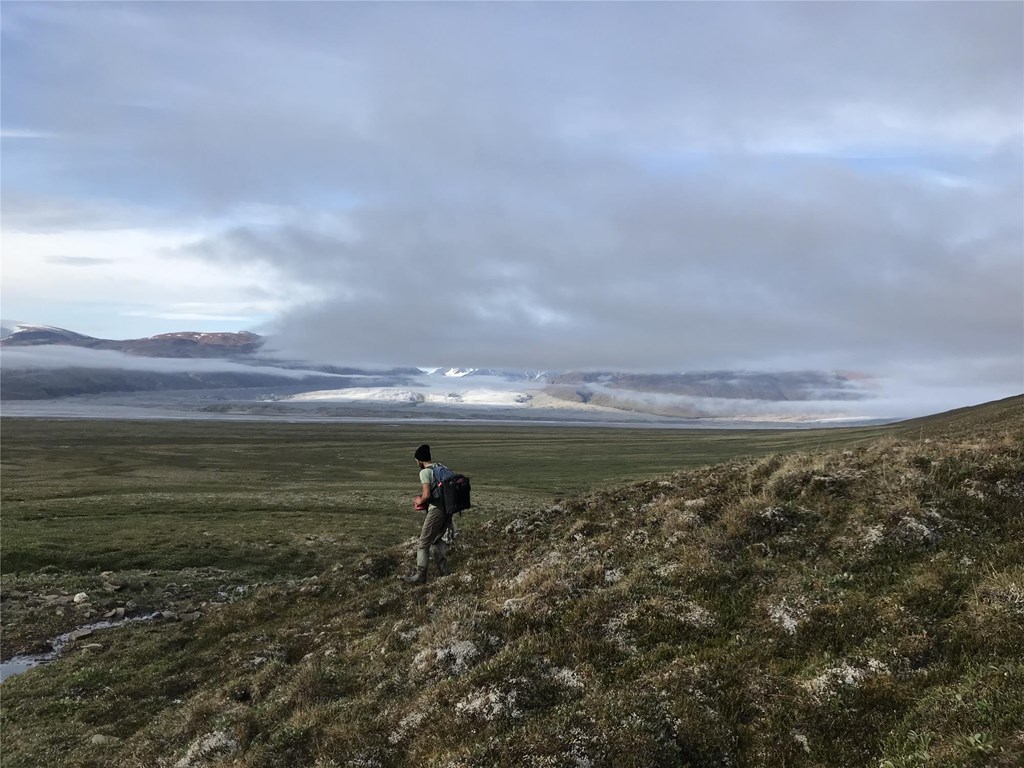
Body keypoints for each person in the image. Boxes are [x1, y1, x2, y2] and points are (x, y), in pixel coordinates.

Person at [407, 444, 455, 584]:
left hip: (436, 510)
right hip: (448, 509)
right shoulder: (441, 467)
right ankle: (444, 573)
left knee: (423, 543)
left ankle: (420, 577)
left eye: (416, 460)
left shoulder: (425, 472)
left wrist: (419, 500)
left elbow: (426, 495)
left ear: (420, 460)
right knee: (437, 540)